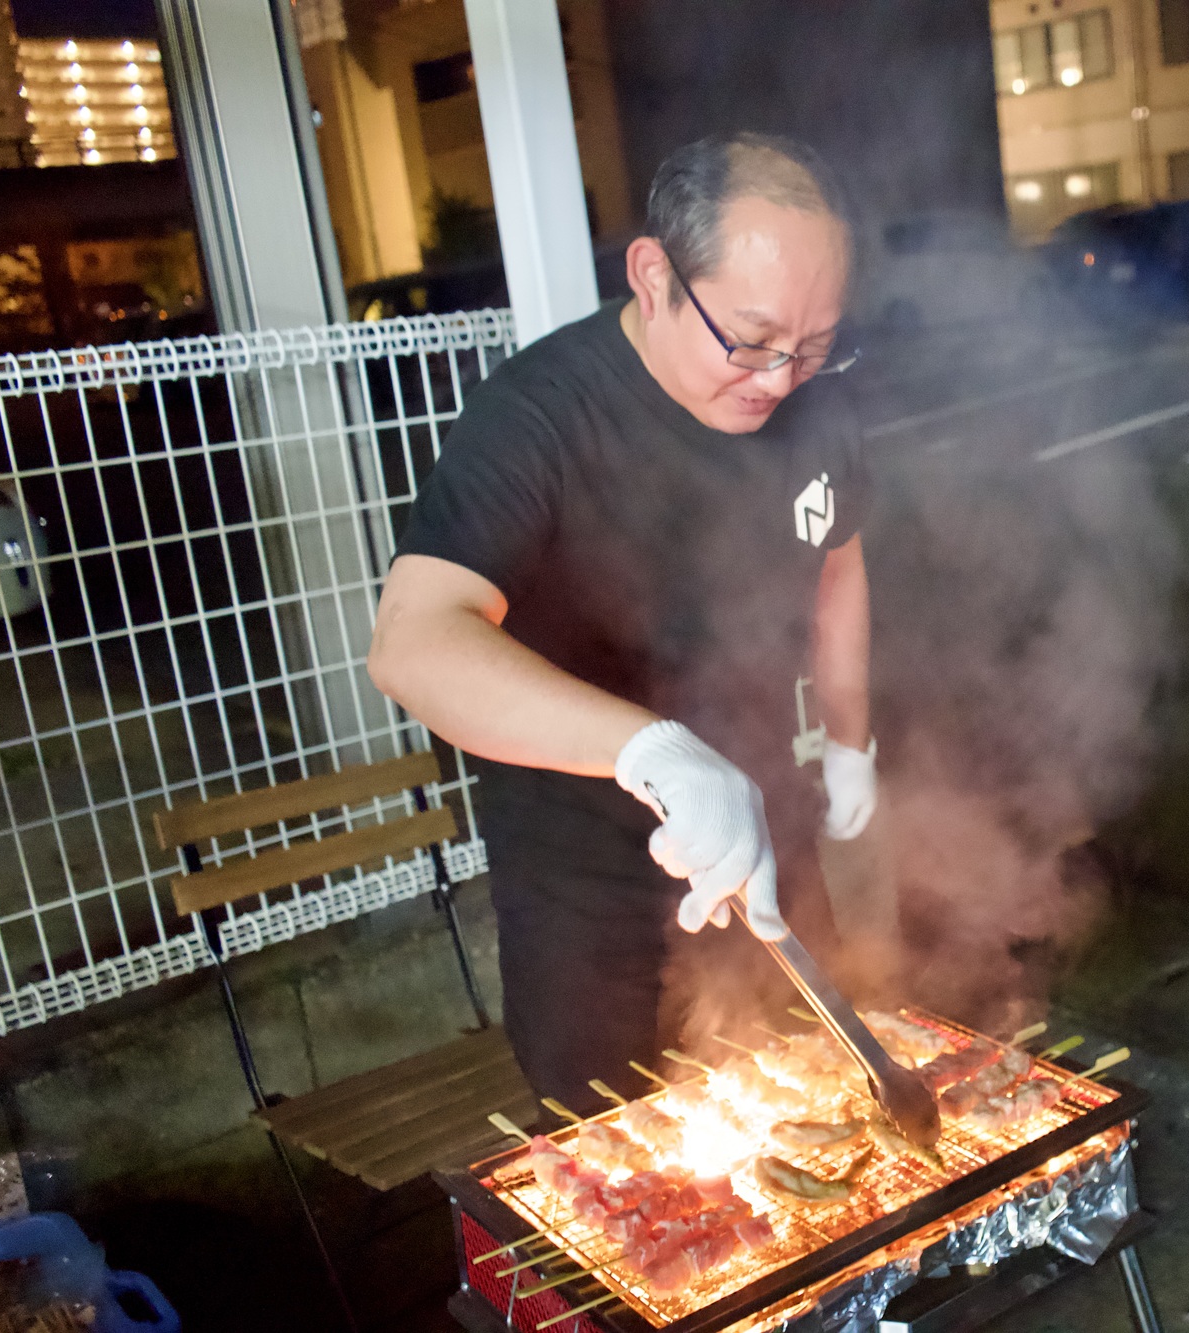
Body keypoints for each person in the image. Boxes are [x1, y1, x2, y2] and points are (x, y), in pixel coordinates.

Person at [367, 133, 879, 1113]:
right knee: (614, 1168)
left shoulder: (821, 410)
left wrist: (851, 741)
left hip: (770, 839)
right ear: (653, 275)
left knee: (813, 1116)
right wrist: (654, 750)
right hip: (584, 879)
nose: (779, 378)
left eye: (813, 347)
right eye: (750, 339)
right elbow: (415, 640)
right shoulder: (540, 415)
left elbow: (838, 560)